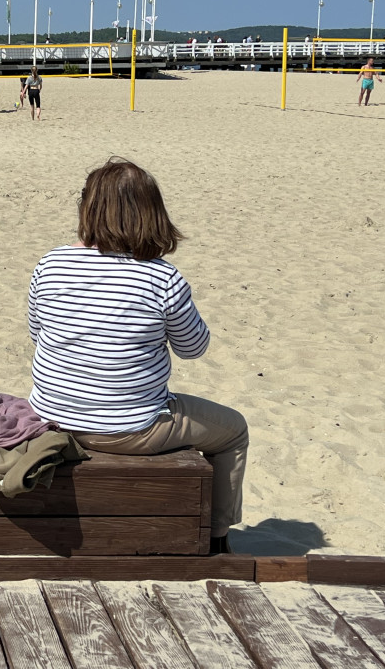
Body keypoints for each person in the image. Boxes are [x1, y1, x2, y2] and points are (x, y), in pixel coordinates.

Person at [26, 158, 248, 554]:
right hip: (127, 429)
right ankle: (217, 538)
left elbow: (37, 332)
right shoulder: (162, 277)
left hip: (53, 415)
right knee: (233, 430)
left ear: (87, 209)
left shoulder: (51, 263)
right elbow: (193, 348)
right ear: (152, 213)